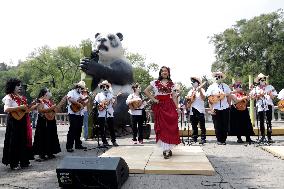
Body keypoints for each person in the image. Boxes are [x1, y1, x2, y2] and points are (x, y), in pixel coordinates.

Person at [144, 66, 180, 159]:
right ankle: (165, 150)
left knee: (171, 126)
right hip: (159, 106)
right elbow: (146, 91)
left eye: (166, 71)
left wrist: (177, 108)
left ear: (168, 73)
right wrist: (153, 99)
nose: (164, 72)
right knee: (162, 128)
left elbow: (174, 96)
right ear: (160, 73)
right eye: (163, 71)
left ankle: (168, 147)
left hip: (169, 105)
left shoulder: (172, 84)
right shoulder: (155, 82)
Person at [2, 78, 38, 170]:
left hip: (22, 121)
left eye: (20, 85)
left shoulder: (22, 98)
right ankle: (14, 163)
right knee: (14, 141)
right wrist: (19, 107)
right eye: (18, 85)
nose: (20, 87)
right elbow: (6, 109)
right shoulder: (9, 97)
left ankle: (24, 162)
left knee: (23, 141)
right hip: (13, 121)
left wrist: (34, 106)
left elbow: (26, 110)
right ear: (12, 86)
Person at [33, 88, 61, 160]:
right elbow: (40, 110)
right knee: (42, 136)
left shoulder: (50, 101)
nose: (50, 92)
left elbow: (54, 110)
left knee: (51, 136)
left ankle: (50, 152)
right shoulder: (40, 100)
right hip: (43, 121)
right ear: (45, 93)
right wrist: (51, 108)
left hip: (51, 120)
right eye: (48, 91)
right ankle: (41, 154)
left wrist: (55, 109)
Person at [250, 73, 277, 143]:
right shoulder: (256, 88)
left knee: (269, 121)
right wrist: (258, 95)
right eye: (261, 79)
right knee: (261, 122)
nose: (262, 80)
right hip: (260, 106)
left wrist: (269, 93)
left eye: (264, 79)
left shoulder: (270, 87)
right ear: (258, 80)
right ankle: (262, 136)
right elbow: (252, 97)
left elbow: (273, 97)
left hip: (268, 105)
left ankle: (269, 137)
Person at [206, 72, 231, 145]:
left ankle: (224, 139)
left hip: (225, 107)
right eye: (216, 76)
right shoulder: (211, 87)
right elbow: (209, 99)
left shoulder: (226, 86)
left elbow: (229, 96)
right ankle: (219, 140)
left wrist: (229, 105)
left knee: (225, 124)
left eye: (219, 76)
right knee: (217, 125)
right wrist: (211, 109)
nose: (217, 78)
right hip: (216, 108)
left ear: (221, 78)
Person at [94, 80, 119, 147]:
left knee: (111, 128)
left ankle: (114, 141)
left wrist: (115, 98)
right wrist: (101, 105)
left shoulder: (111, 95)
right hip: (101, 114)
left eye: (106, 86)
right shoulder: (98, 95)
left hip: (110, 113)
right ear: (101, 87)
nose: (105, 88)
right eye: (103, 86)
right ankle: (104, 141)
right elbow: (95, 104)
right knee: (102, 128)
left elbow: (114, 105)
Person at [66, 80, 87, 152]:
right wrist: (79, 104)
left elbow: (84, 101)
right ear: (77, 87)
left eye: (82, 88)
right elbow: (69, 98)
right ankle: (69, 146)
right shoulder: (71, 92)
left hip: (80, 114)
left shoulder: (80, 94)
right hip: (72, 113)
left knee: (79, 130)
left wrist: (85, 102)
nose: (82, 90)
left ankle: (78, 144)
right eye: (81, 88)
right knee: (72, 130)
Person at [185, 76, 206, 144]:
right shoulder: (190, 91)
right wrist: (188, 98)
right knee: (194, 125)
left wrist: (199, 90)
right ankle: (194, 137)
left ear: (198, 83)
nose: (192, 83)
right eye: (192, 82)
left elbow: (203, 98)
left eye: (194, 82)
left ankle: (203, 138)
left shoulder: (202, 90)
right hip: (192, 109)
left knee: (202, 125)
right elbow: (188, 100)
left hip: (200, 109)